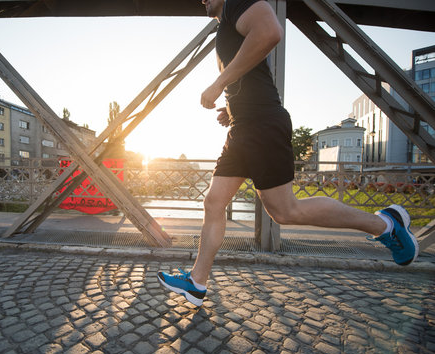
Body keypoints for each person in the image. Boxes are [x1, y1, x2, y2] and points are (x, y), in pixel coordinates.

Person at [157, 0, 419, 307]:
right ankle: (197, 283)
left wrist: (218, 83)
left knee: (284, 211)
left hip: (261, 125)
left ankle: (386, 226)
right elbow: (253, 74)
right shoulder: (227, 23)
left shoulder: (235, 4)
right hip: (243, 127)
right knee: (214, 202)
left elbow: (269, 31)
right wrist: (231, 107)